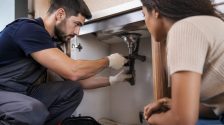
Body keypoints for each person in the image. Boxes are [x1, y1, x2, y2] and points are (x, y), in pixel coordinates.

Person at [0, 0, 131, 125]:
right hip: (4, 92)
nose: (77, 32)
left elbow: (80, 81)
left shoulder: (49, 44)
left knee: (74, 90)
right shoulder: (27, 29)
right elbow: (74, 71)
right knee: (32, 109)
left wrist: (114, 79)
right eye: (77, 24)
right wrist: (108, 61)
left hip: (21, 93)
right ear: (60, 14)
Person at [141, 0, 224, 125]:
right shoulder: (214, 23)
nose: (145, 22)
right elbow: (218, 109)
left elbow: (181, 120)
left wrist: (152, 119)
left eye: (144, 15)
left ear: (155, 11)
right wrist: (173, 104)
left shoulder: (183, 29)